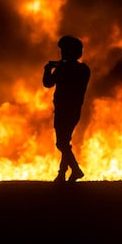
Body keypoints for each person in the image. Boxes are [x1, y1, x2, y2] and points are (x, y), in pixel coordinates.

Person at [43, 35, 91, 183]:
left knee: (61, 143)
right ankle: (62, 174)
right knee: (65, 141)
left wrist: (48, 69)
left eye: (64, 51)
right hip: (74, 110)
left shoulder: (65, 69)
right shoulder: (83, 69)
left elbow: (48, 83)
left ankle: (75, 170)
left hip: (64, 110)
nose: (62, 53)